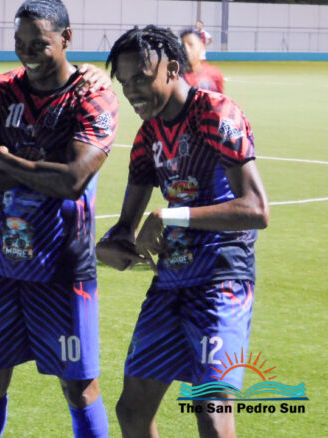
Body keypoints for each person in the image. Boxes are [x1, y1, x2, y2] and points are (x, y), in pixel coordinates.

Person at [100, 25, 269, 438]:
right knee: (132, 410)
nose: (132, 91)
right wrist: (110, 246)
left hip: (221, 279)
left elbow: (255, 208)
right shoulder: (148, 136)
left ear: (173, 69)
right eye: (125, 83)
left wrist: (172, 216)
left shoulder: (215, 112)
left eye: (141, 78)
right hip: (170, 281)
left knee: (211, 411)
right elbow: (126, 226)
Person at [0, 1, 118, 436]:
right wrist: (40, 172)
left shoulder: (92, 96)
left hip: (63, 267)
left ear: (66, 38)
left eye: (39, 43)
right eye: (20, 42)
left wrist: (5, 160)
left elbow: (72, 180)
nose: (27, 51)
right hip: (0, 265)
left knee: (79, 385)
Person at [181, 29, 224, 93]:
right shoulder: (178, 76)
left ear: (202, 46)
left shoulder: (215, 74)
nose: (187, 50)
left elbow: (220, 98)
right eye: (183, 46)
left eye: (191, 45)